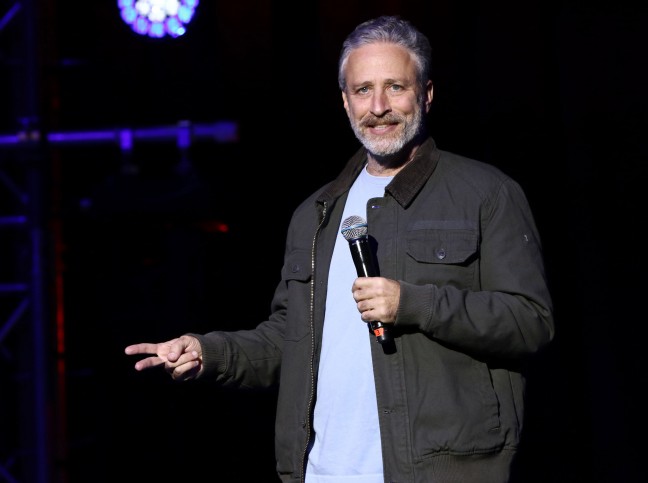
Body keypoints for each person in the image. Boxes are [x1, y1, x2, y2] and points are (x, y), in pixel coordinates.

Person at [125, 14, 554, 483]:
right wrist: (210, 353)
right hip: (323, 471)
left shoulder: (484, 193)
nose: (379, 106)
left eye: (395, 87)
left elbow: (529, 321)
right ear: (345, 102)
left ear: (426, 94)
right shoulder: (316, 213)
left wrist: (415, 304)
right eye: (363, 90)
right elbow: (289, 339)